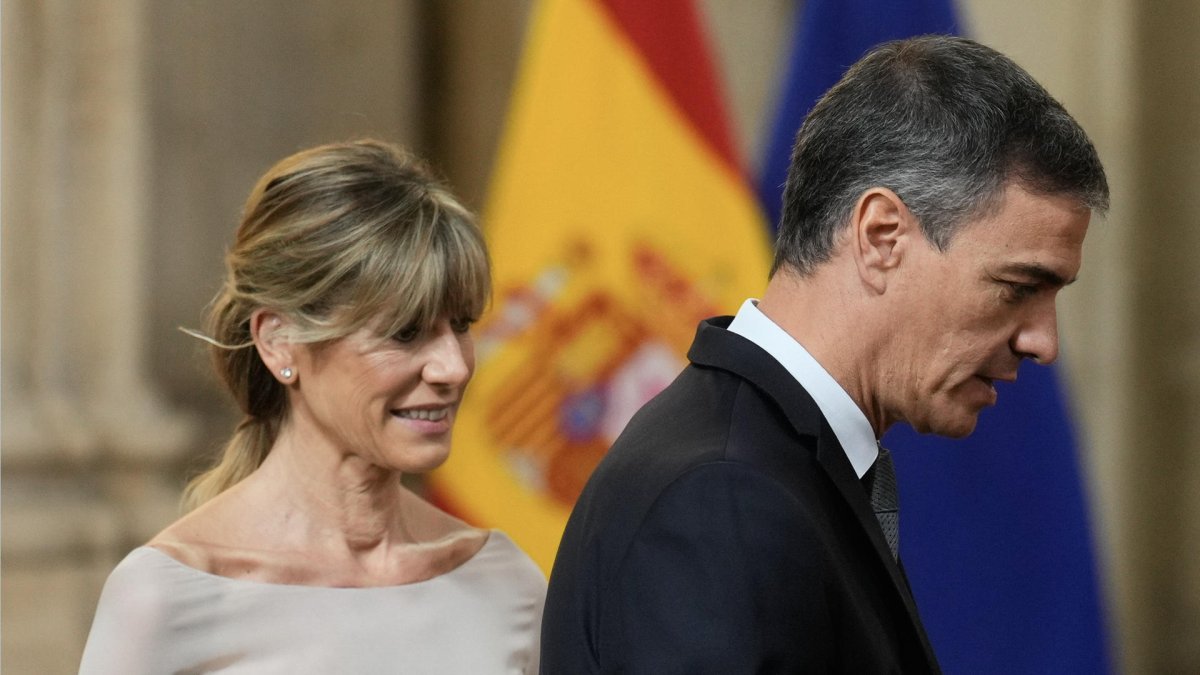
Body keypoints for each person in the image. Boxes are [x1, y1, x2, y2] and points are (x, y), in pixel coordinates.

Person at [540, 35, 1109, 674]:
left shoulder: (765, 463)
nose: (1043, 343)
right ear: (880, 236)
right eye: (1018, 288)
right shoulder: (722, 496)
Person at [79, 140, 545, 674]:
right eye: (405, 332)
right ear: (278, 341)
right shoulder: (166, 599)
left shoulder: (506, 583)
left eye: (460, 325)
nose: (454, 368)